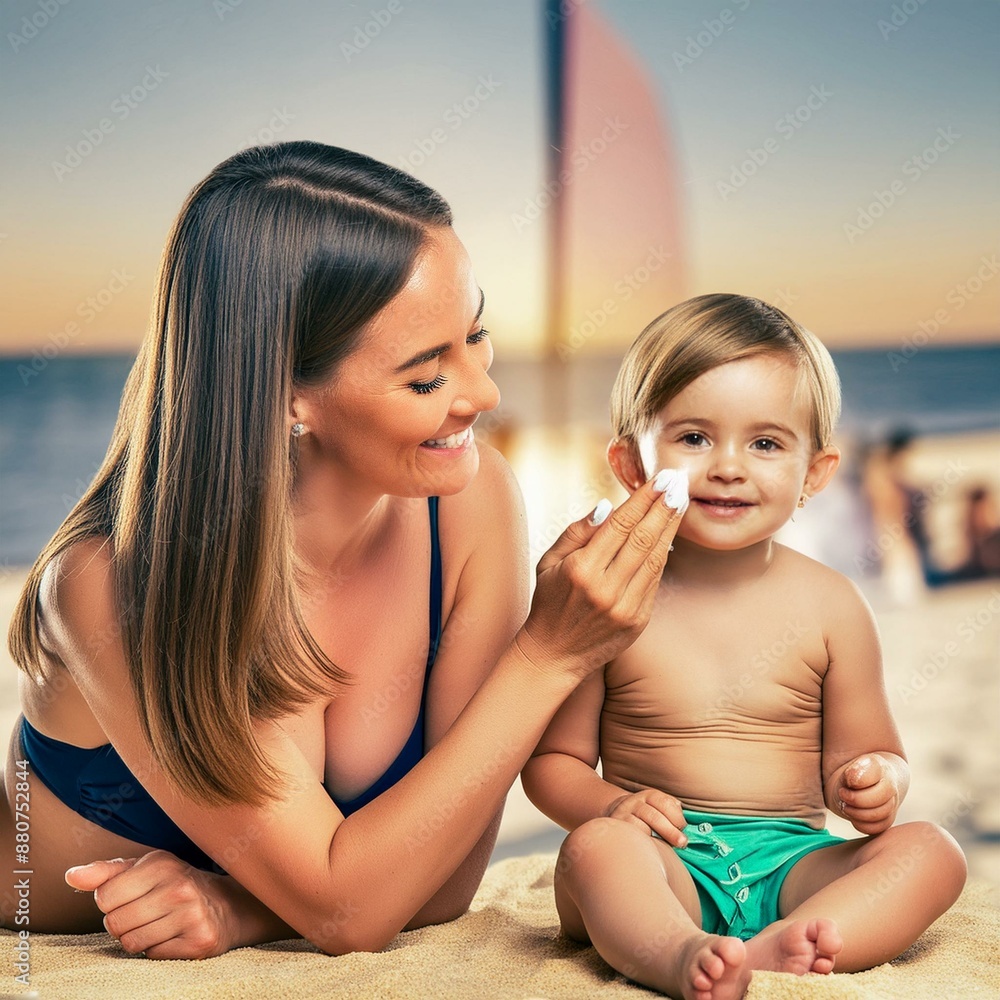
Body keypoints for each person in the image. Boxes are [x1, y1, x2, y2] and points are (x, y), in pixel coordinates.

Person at [0, 141, 686, 959]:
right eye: (426, 376)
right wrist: (548, 657)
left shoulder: (468, 504)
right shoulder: (106, 586)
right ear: (289, 392)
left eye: (477, 335)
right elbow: (352, 913)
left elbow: (443, 876)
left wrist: (241, 909)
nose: (484, 393)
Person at [521, 294, 967, 1000]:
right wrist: (610, 808)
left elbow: (871, 753)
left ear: (814, 474)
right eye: (693, 437)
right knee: (593, 854)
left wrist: (875, 783)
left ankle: (782, 944)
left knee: (931, 853)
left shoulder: (831, 606)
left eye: (765, 443)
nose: (729, 466)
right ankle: (677, 953)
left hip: (795, 863)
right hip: (663, 864)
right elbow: (553, 765)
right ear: (630, 464)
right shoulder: (611, 600)